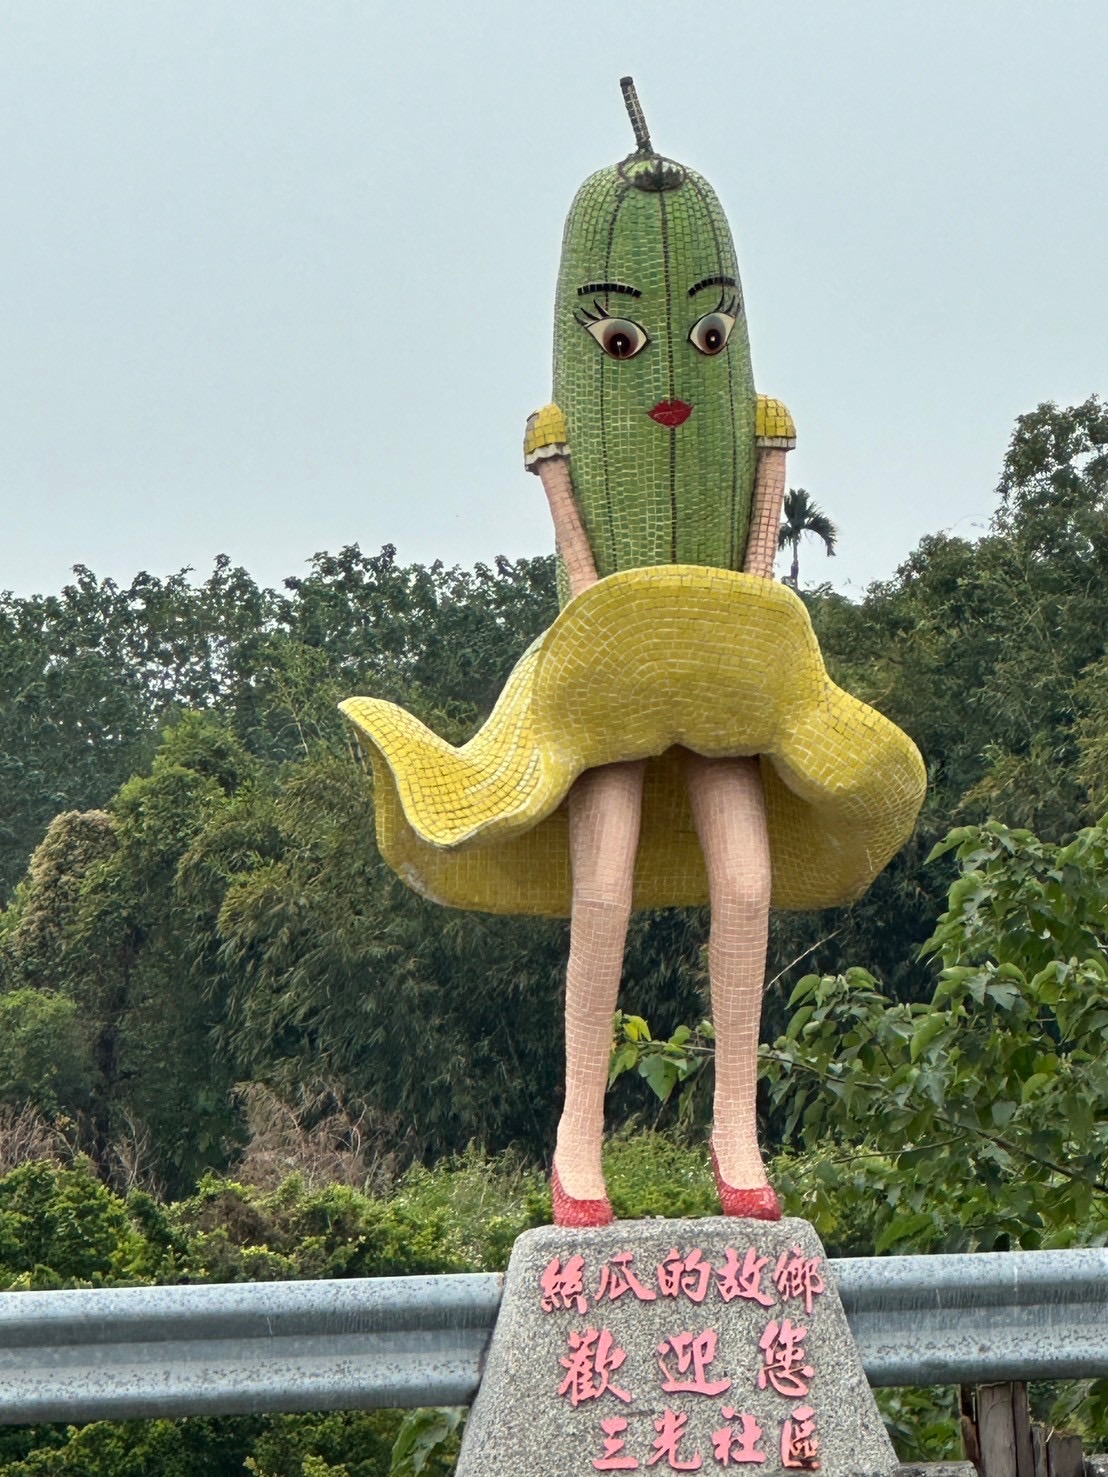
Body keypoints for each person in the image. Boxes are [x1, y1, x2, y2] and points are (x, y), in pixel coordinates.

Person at [341, 81, 925, 1225]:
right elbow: (584, 580)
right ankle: (578, 1135)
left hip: (727, 680)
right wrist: (565, 501)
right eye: (619, 342)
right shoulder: (572, 446)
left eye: (707, 338)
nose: (667, 378)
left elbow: (753, 568)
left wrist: (749, 568)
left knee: (746, 881)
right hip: (609, 679)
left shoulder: (755, 436)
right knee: (599, 888)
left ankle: (736, 1130)